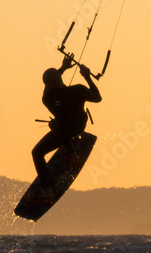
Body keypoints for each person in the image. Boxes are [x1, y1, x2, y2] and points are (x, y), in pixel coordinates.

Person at [31, 55, 102, 193]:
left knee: (37, 153)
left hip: (64, 132)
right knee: (57, 125)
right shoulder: (77, 90)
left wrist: (62, 68)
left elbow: (51, 84)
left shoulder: (47, 99)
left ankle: (47, 190)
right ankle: (72, 153)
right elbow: (97, 98)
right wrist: (87, 77)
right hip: (79, 127)